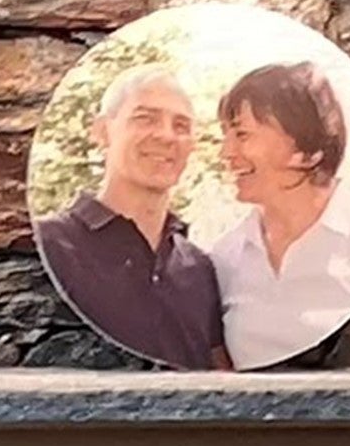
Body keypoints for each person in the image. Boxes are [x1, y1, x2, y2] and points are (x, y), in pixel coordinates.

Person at [189, 53, 350, 369]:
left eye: (242, 134)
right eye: (226, 136)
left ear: (308, 151)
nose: (225, 153)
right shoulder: (224, 257)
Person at [34, 63, 229, 371]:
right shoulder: (50, 245)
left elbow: (221, 379)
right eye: (145, 118)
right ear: (102, 131)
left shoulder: (200, 268)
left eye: (181, 126)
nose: (166, 136)